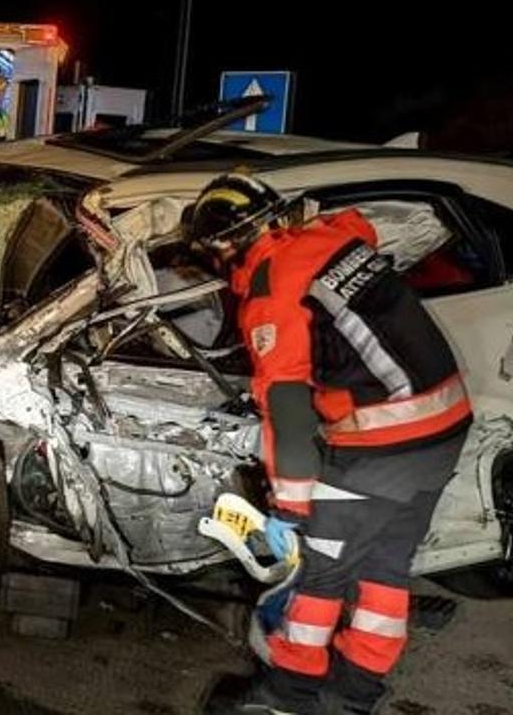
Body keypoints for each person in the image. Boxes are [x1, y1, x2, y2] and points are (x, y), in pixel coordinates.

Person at [182, 173, 473, 715]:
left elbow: (288, 409)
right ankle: (354, 694)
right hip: (443, 423)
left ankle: (286, 697)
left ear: (223, 248)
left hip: (385, 442)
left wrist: (290, 507)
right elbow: (359, 229)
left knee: (319, 575)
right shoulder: (332, 237)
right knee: (386, 566)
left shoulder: (272, 291)